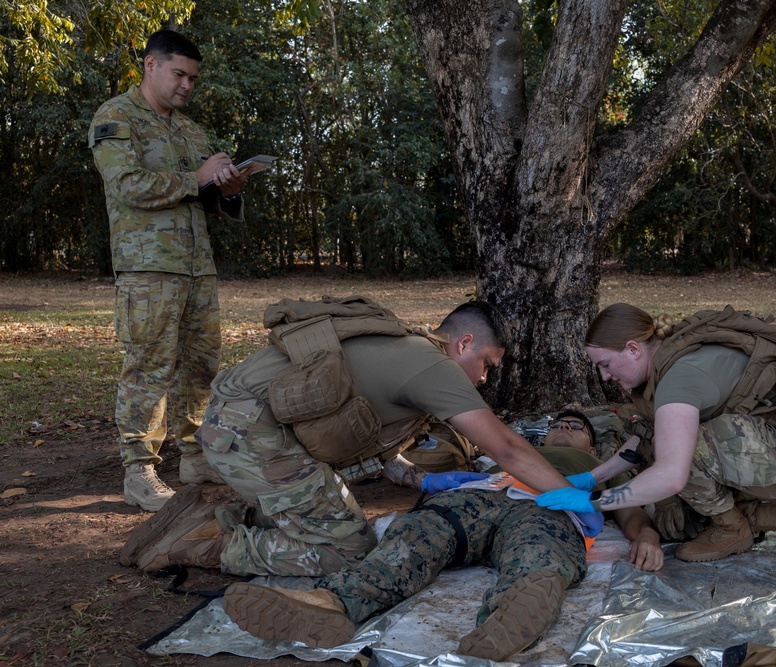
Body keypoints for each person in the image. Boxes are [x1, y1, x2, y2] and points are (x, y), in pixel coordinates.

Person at [119, 300, 577, 577]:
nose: (483, 379)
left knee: (328, 517)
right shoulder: (435, 367)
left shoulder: (410, 347)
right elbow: (508, 448)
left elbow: (379, 445)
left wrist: (421, 480)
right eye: (487, 365)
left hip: (241, 424)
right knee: (348, 551)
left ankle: (225, 513)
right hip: (248, 434)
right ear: (464, 343)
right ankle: (207, 543)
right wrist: (576, 499)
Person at [220, 412, 663, 661]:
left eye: (575, 426)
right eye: (558, 424)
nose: (564, 428)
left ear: (590, 445)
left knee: (539, 557)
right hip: (475, 499)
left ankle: (506, 624)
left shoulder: (592, 472)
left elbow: (630, 510)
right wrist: (408, 473)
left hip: (548, 513)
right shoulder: (506, 458)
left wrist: (646, 536)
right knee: (415, 537)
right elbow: (435, 480)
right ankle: (331, 604)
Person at [536, 303, 776, 563]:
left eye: (605, 364)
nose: (604, 376)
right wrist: (593, 476)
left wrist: (594, 500)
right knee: (677, 519)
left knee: (679, 456)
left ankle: (734, 527)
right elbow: (644, 437)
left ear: (632, 349)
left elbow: (671, 474)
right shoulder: (669, 357)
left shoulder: (679, 380)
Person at [89, 29, 252, 512]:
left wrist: (227, 188)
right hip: (148, 267)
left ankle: (194, 453)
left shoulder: (190, 130)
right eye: (179, 74)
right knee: (149, 365)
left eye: (193, 79)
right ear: (150, 65)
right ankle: (139, 469)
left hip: (196, 265)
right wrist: (195, 177)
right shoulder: (116, 117)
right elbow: (125, 185)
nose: (186, 85)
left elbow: (203, 195)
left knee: (202, 363)